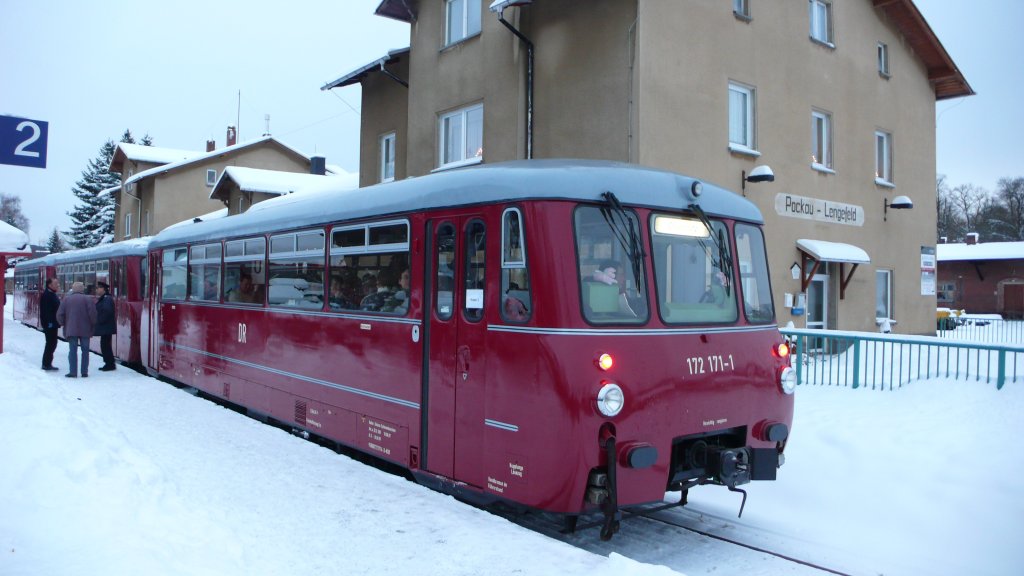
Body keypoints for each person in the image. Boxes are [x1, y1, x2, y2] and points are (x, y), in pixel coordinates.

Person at [56, 281, 97, 378]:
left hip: (71, 329)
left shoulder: (66, 300)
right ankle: (84, 372)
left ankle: (73, 372)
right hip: (85, 330)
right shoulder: (88, 299)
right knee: (85, 351)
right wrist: (93, 323)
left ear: (73, 289)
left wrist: (63, 323)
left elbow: (59, 314)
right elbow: (93, 314)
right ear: (82, 289)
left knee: (72, 351)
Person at [94, 281, 117, 371]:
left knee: (105, 345)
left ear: (103, 289)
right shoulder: (105, 298)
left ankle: (109, 364)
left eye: (98, 288)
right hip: (106, 327)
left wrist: (100, 320)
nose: (97, 290)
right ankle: (109, 363)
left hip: (106, 327)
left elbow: (107, 311)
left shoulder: (107, 299)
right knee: (105, 345)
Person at [40, 277, 61, 371]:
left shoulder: (51, 294)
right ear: (50, 285)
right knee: (51, 343)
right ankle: (46, 363)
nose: (58, 285)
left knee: (52, 343)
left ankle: (48, 363)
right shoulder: (48, 295)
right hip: (50, 324)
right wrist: (50, 323)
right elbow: (46, 311)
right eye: (56, 283)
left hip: (52, 323)